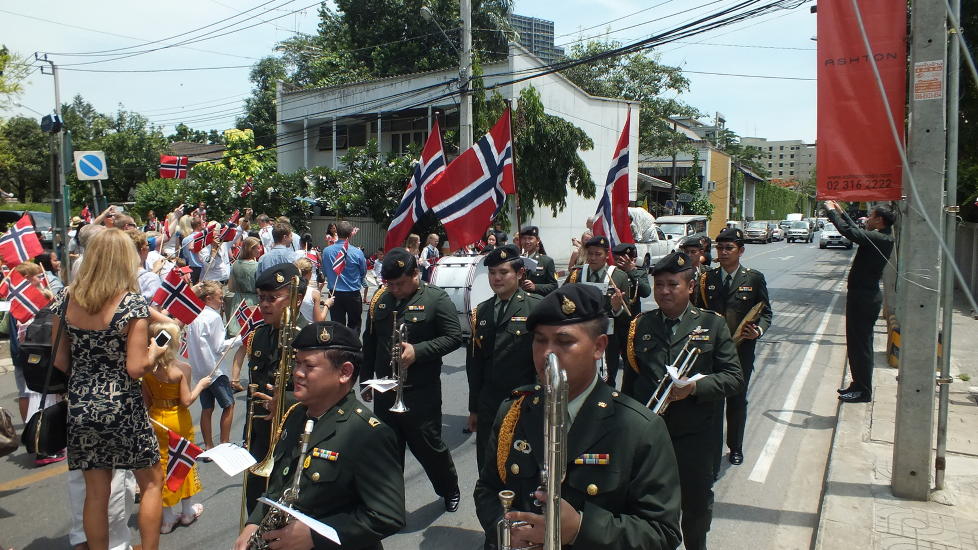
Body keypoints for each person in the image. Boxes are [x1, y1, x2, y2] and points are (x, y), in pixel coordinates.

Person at [474, 283, 682, 549]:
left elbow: (662, 533)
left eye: (564, 341)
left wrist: (581, 529)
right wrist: (504, 531)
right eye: (539, 340)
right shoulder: (514, 410)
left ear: (598, 347)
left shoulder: (640, 428)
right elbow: (488, 489)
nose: (548, 353)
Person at [234, 321, 406, 550]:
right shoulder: (296, 414)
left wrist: (315, 536)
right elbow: (279, 484)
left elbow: (387, 515)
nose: (297, 373)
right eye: (297, 363)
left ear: (344, 372)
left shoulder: (367, 433)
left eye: (309, 366)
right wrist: (253, 523)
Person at [50, 228, 168, 550]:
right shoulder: (131, 304)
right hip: (123, 405)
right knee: (152, 481)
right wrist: (155, 353)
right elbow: (135, 367)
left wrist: (87, 379)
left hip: (82, 403)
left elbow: (59, 359)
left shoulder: (67, 298)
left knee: (96, 492)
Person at [624, 251, 744, 550]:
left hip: (696, 438)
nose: (664, 291)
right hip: (650, 437)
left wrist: (694, 388)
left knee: (695, 508)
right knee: (647, 508)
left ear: (690, 287)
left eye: (672, 284)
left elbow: (733, 377)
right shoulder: (640, 325)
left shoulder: (712, 325)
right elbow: (629, 385)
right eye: (659, 284)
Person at [361, 248, 464, 511]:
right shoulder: (380, 299)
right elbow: (370, 340)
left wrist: (418, 351)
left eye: (400, 283)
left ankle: (448, 488)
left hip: (421, 392)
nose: (394, 289)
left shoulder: (436, 299)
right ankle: (390, 504)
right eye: (390, 284)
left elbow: (454, 337)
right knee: (388, 451)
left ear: (416, 274)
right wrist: (365, 379)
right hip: (386, 389)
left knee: (429, 447)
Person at [231, 263, 307, 516]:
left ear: (297, 299)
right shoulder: (260, 335)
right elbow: (254, 393)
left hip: (293, 438)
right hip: (260, 437)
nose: (264, 305)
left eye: (273, 298)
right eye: (261, 298)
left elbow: (327, 396)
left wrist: (283, 402)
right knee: (254, 502)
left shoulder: (310, 338)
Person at [694, 227, 772, 467]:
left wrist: (757, 330)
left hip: (741, 351)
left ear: (741, 251)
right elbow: (697, 312)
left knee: (737, 401)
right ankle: (711, 451)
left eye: (729, 248)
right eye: (720, 247)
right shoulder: (708, 278)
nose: (724, 252)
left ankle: (735, 447)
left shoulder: (754, 278)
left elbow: (765, 312)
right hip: (712, 351)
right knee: (713, 402)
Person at [465, 245, 542, 471]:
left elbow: (543, 363)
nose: (496, 278)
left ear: (519, 274)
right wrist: (474, 408)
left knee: (521, 464)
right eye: (492, 273)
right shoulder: (482, 311)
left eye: (503, 272)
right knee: (488, 464)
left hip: (523, 402)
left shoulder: (535, 308)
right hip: (489, 404)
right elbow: (475, 364)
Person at [143, 321, 212, 534]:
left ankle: (167, 518)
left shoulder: (147, 370)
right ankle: (187, 510)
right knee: (183, 462)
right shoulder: (182, 369)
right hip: (178, 420)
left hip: (156, 420)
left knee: (161, 465)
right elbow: (186, 400)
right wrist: (201, 385)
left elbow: (146, 402)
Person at [824, 200, 895, 403]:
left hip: (864, 298)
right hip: (861, 296)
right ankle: (858, 384)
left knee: (861, 345)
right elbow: (855, 229)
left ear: (880, 220)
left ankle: (863, 391)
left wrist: (831, 212)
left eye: (871, 216)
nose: (868, 218)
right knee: (856, 344)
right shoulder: (879, 236)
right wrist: (842, 211)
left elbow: (851, 233)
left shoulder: (879, 238)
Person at [564, 235, 634, 388]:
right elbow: (563, 298)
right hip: (581, 334)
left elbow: (628, 317)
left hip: (608, 337)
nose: (593, 258)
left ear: (606, 255)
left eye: (598, 254)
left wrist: (616, 308)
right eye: (590, 253)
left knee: (608, 379)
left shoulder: (619, 276)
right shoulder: (577, 274)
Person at [185, 281, 238, 453]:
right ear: (208, 298)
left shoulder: (193, 316)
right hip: (215, 370)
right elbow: (219, 346)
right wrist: (241, 338)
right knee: (229, 405)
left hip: (200, 370)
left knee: (207, 408)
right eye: (220, 298)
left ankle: (208, 445)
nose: (222, 301)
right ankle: (224, 444)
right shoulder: (213, 317)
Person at [323, 221, 367, 332]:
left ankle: (339, 348)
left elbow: (325, 271)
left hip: (334, 293)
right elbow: (363, 272)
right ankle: (352, 347)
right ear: (351, 234)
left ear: (336, 232)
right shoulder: (357, 252)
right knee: (354, 325)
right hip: (352, 293)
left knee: (337, 326)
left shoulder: (327, 251)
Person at [227, 236, 262, 332]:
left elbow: (230, 287)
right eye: (258, 248)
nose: (260, 250)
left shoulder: (235, 264)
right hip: (253, 300)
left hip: (238, 301)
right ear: (251, 249)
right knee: (251, 331)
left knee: (237, 332)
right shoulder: (257, 266)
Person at [519, 226, 558, 296]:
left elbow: (554, 286)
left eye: (530, 238)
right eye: (524, 238)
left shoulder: (547, 261)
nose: (527, 242)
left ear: (537, 240)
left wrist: (535, 287)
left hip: (538, 302)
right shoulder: (518, 259)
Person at [295, 257, 332, 324]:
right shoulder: (314, 293)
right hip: (309, 330)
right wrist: (327, 305)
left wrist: (319, 290)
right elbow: (319, 321)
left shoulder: (288, 290)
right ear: (310, 273)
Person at [180, 217, 205, 284]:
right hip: (203, 268)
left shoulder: (185, 240)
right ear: (199, 225)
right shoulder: (204, 237)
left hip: (192, 268)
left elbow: (185, 256)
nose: (204, 223)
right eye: (203, 222)